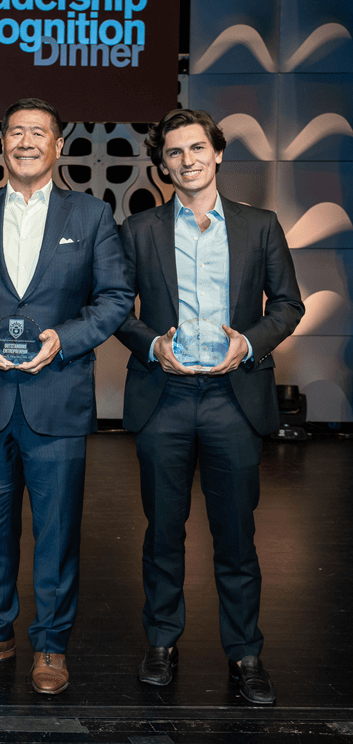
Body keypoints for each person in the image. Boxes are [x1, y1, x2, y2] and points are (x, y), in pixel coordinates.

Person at [0, 98, 132, 695]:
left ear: (58, 146)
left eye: (38, 133)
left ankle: (51, 644)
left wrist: (64, 340)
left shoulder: (92, 215)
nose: (25, 141)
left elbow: (116, 298)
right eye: (15, 132)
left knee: (57, 531)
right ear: (2, 145)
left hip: (58, 396)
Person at [115, 109, 303, 704]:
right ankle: (161, 643)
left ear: (218, 153)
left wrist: (249, 343)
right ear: (162, 164)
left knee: (237, 539)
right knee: (163, 534)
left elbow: (289, 305)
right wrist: (151, 345)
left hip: (232, 399)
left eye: (198, 148)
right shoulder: (138, 230)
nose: (187, 160)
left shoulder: (261, 225)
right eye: (175, 152)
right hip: (164, 398)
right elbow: (116, 308)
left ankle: (245, 653)